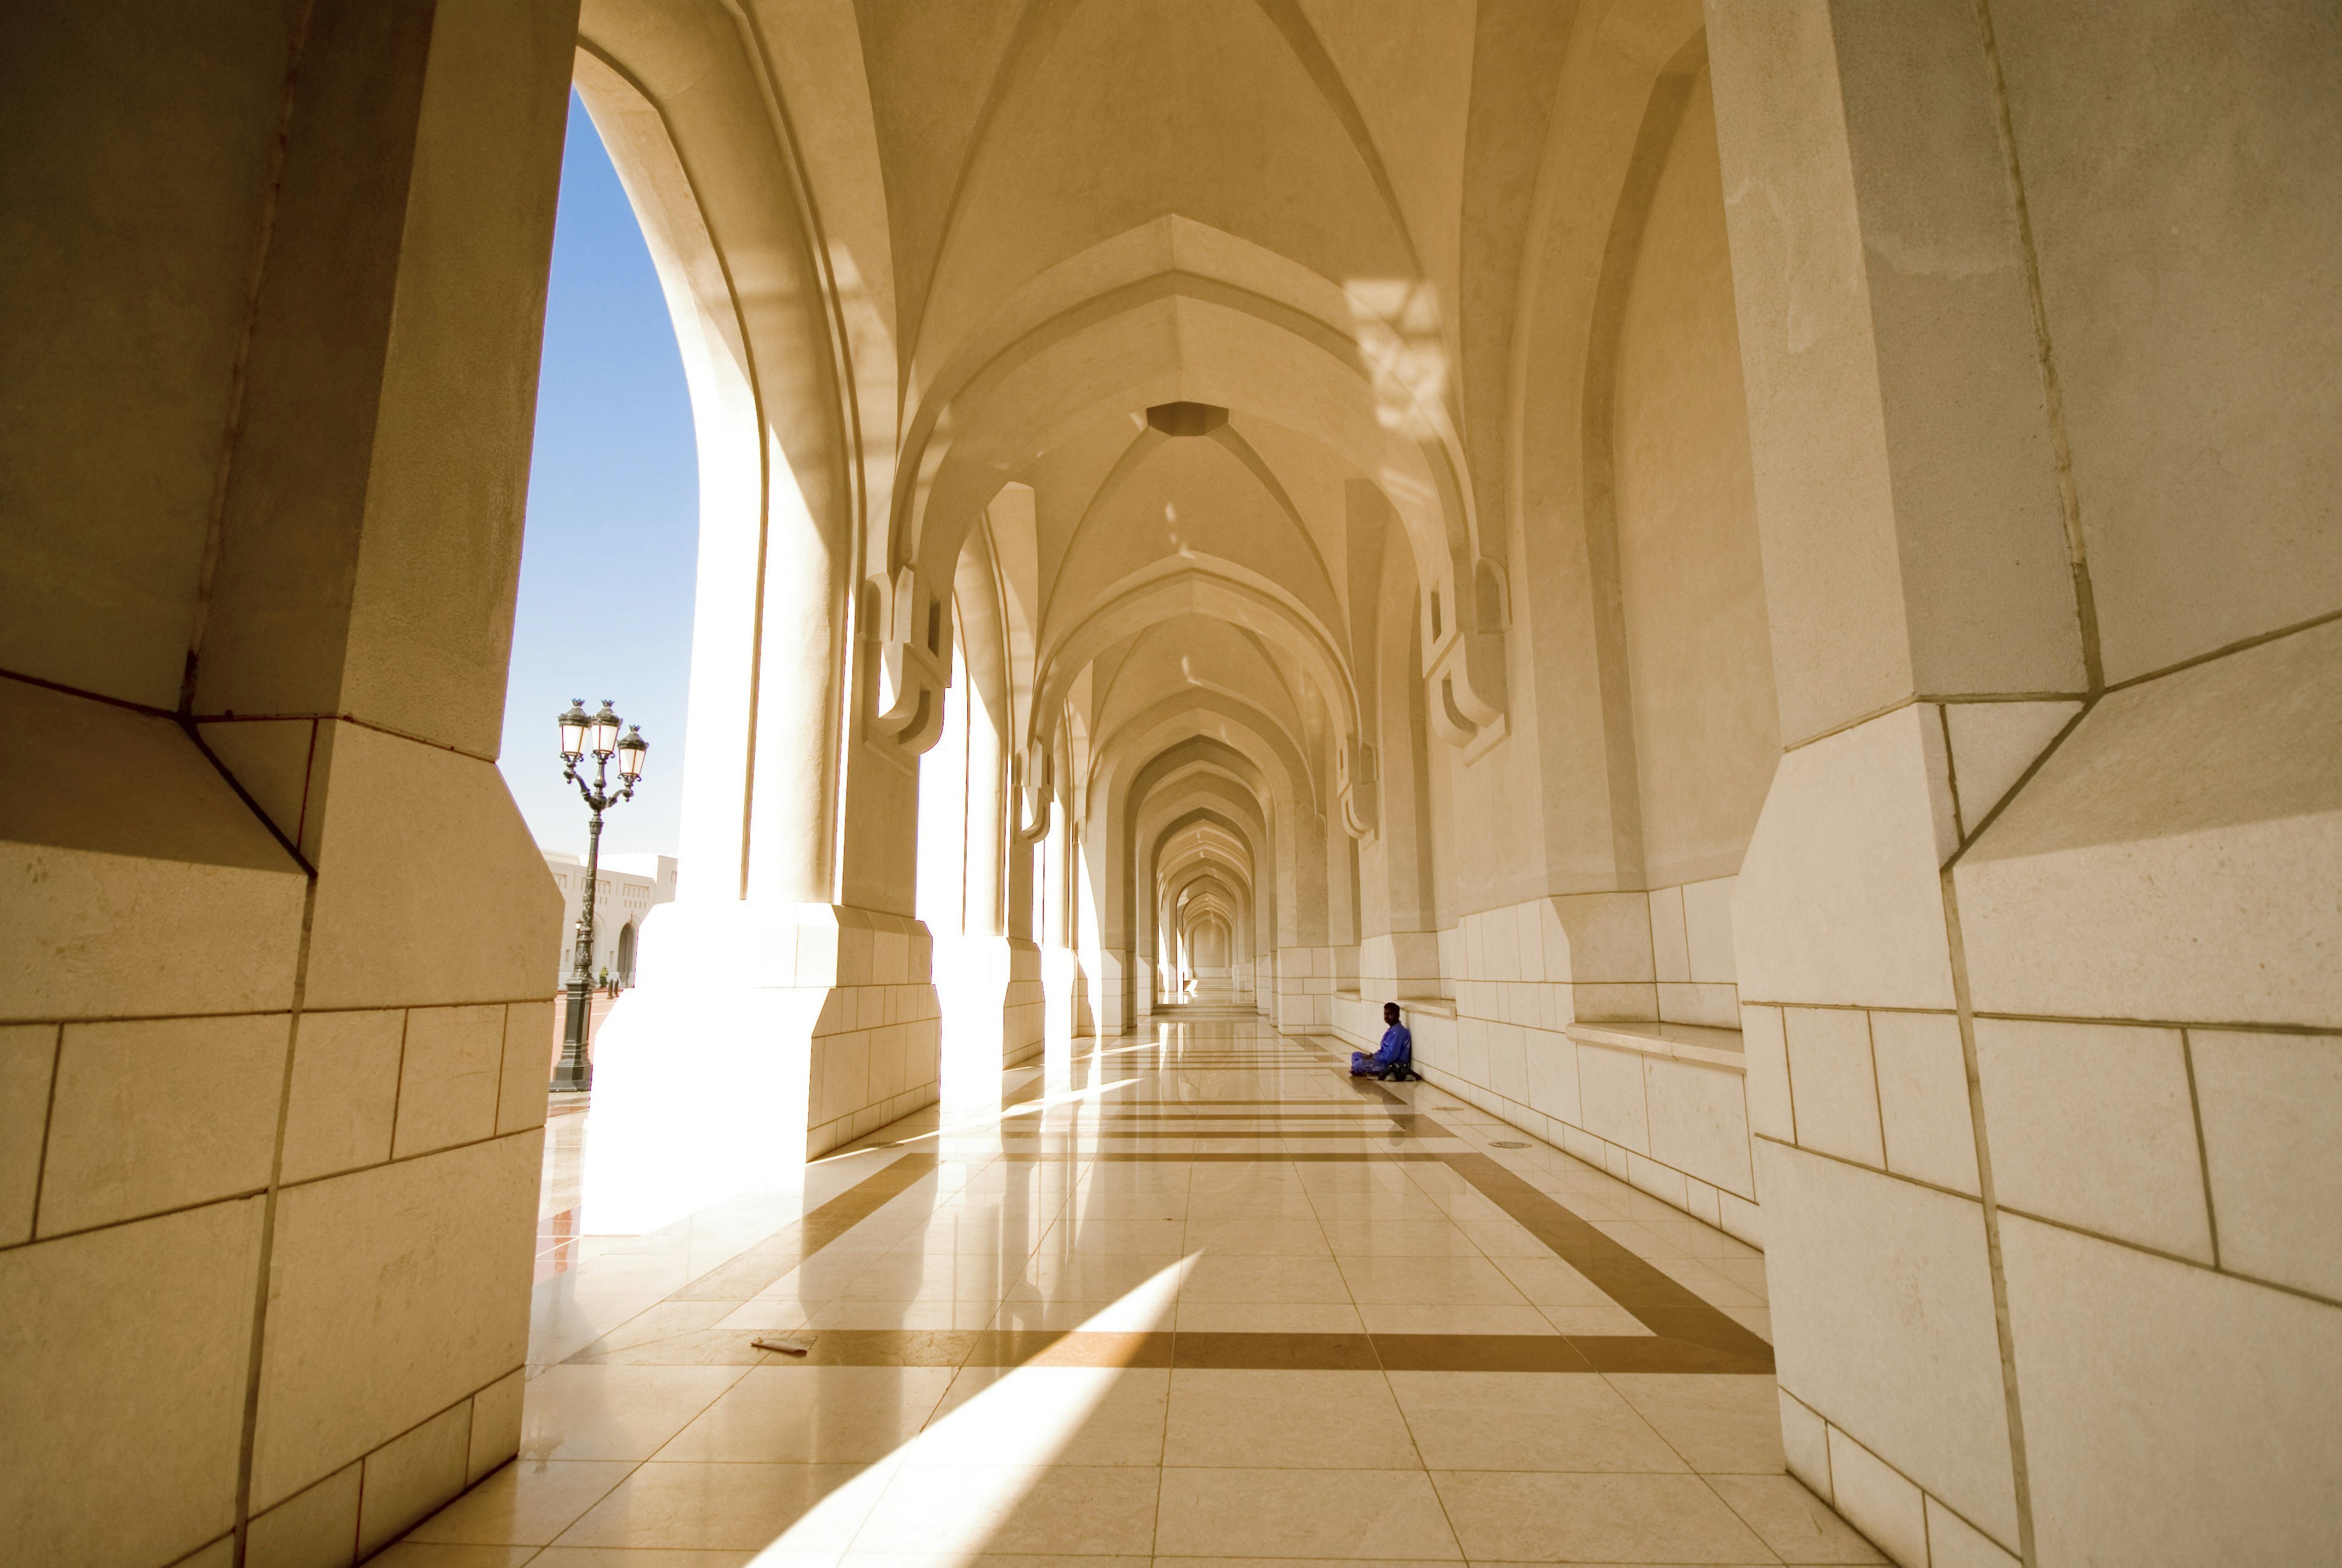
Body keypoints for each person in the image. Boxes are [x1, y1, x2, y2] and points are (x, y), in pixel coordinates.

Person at [1352, 1001, 1413, 1078]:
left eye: (1390, 1014)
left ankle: (1371, 1070)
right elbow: (1383, 1051)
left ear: (1398, 1015)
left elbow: (1390, 1057)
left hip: (1390, 1065)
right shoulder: (1392, 1030)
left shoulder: (1398, 1032)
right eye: (1385, 1014)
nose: (1387, 1017)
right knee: (1356, 1055)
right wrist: (1372, 1056)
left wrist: (1373, 1057)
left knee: (1358, 1065)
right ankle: (1365, 1070)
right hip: (1381, 1059)